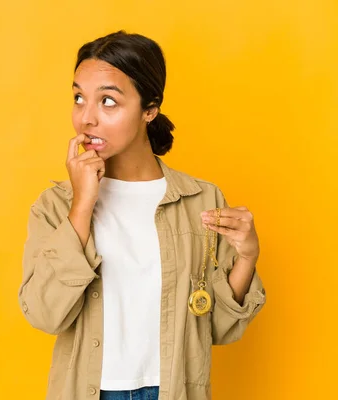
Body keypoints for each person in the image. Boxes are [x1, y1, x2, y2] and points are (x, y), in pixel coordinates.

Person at [18, 31, 267, 400]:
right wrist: (82, 204)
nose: (87, 118)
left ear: (149, 109)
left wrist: (247, 257)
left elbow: (219, 328)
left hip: (173, 389)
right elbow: (43, 314)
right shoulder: (56, 205)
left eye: (108, 101)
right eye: (79, 98)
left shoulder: (201, 200)